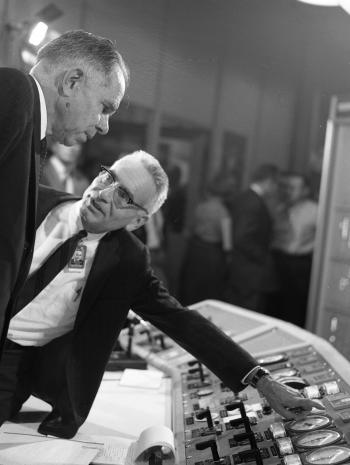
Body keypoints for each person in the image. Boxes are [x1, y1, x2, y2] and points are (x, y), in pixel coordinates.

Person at [0, 151, 322, 439]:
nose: (104, 193)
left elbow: (182, 321)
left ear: (138, 220)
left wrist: (262, 381)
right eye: (108, 176)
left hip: (11, 367)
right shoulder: (28, 199)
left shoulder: (127, 261)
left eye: (124, 196)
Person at [0, 30, 129, 354]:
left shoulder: (30, 125)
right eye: (105, 107)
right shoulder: (14, 92)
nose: (104, 125)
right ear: (72, 81)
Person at [225, 164, 279, 313]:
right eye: (276, 184)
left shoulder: (245, 197)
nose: (276, 190)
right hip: (250, 273)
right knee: (249, 313)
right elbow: (242, 237)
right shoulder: (254, 202)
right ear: (269, 181)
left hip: (242, 270)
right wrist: (263, 257)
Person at [179, 172, 234, 305]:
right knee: (208, 293)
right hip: (212, 257)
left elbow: (190, 230)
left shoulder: (201, 207)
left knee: (191, 290)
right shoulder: (223, 213)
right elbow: (227, 244)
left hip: (195, 251)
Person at [271, 173, 318, 327]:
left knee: (295, 309)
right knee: (276, 307)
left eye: (293, 188)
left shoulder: (315, 211)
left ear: (305, 190)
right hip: (279, 262)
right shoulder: (280, 207)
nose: (288, 191)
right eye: (286, 187)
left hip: (300, 266)